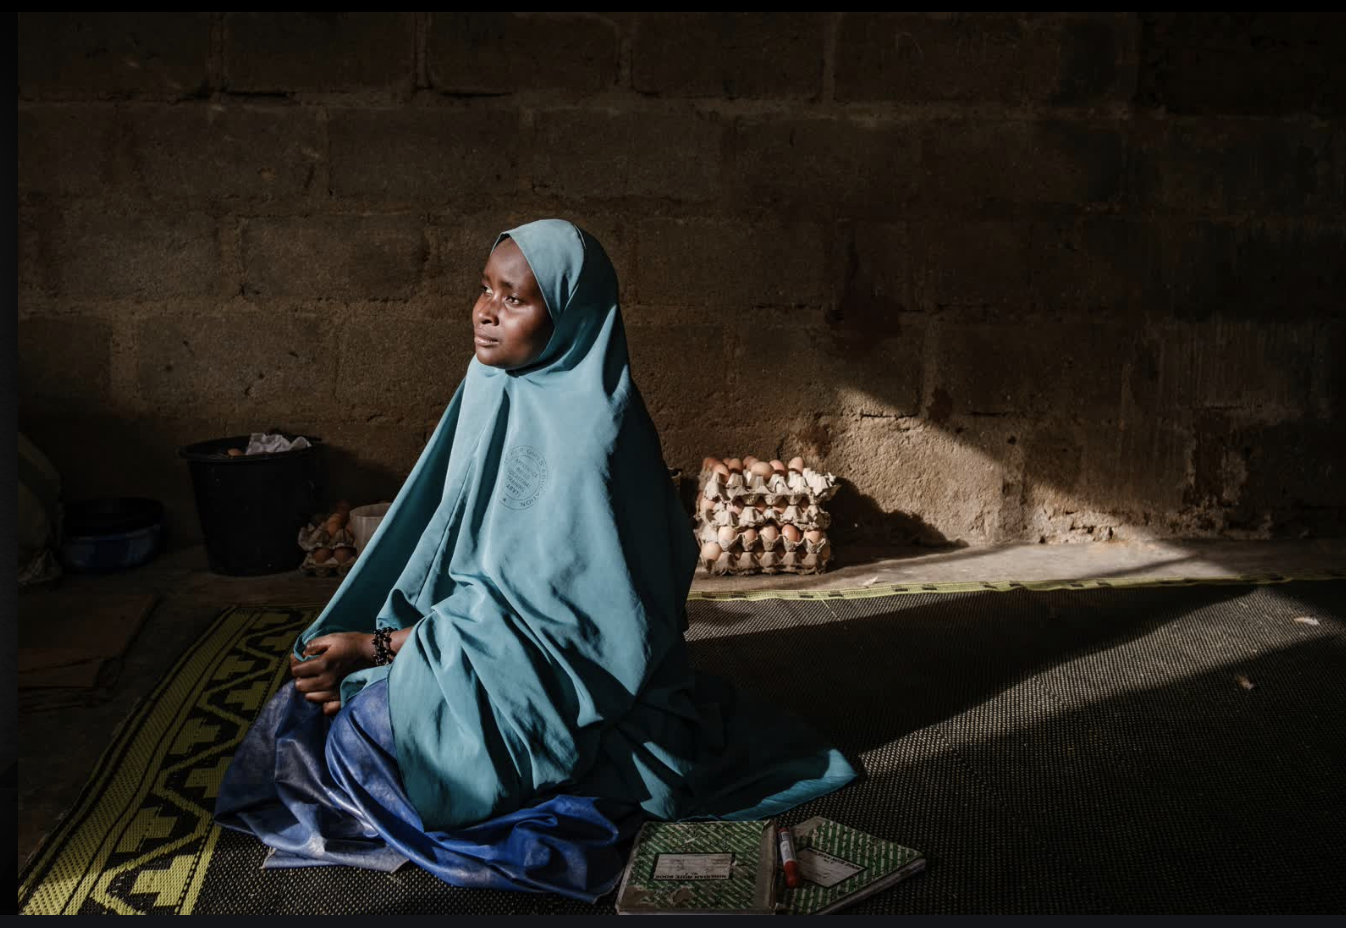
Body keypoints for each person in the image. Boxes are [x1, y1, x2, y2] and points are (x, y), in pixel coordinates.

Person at [215, 219, 855, 901]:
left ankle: (517, 803)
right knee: (307, 707)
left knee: (362, 738)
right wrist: (381, 642)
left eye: (515, 299)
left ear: (573, 315)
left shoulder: (593, 440)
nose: (486, 312)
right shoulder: (493, 383)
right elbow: (447, 541)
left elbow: (566, 635)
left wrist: (381, 648)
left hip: (569, 678)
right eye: (484, 289)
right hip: (482, 640)